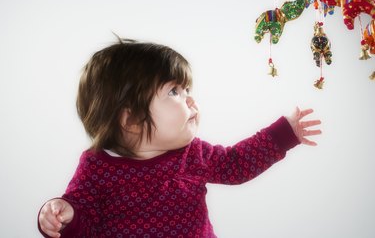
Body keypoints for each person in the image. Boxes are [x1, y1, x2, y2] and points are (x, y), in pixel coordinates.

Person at [37, 38, 321, 238]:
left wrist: (285, 134)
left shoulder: (193, 154)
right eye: (175, 92)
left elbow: (236, 164)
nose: (190, 99)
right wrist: (64, 214)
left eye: (186, 90)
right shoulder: (96, 167)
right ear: (132, 120)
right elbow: (82, 216)